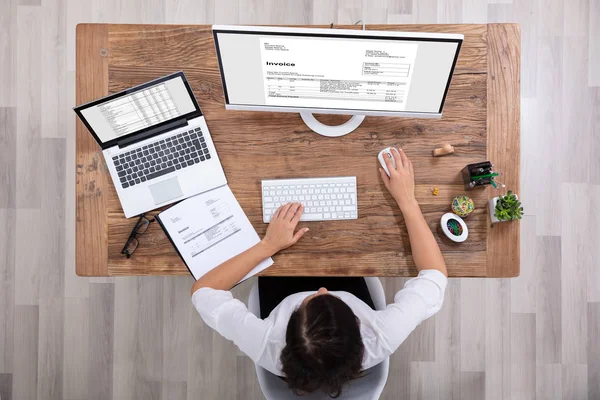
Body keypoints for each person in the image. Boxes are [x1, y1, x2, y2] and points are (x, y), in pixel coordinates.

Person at [190, 148, 448, 397]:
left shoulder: (265, 342)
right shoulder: (382, 335)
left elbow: (203, 292)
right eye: (331, 297)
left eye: (313, 298)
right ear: (360, 329)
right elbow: (434, 275)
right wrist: (407, 200)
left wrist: (268, 245)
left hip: (278, 289)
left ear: (287, 332)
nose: (323, 289)